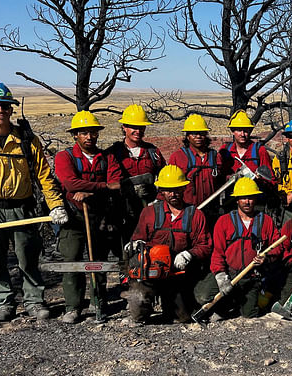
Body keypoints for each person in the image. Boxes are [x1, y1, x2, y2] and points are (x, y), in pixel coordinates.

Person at [0, 81, 69, 322]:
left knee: (28, 255)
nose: (0, 110)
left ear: (11, 109)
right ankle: (4, 303)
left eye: (5, 106)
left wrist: (56, 206)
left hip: (23, 208)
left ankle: (34, 301)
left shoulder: (27, 140)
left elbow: (44, 175)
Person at [54, 110, 124, 324]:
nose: (89, 137)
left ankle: (99, 301)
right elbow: (70, 184)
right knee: (72, 261)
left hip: (99, 217)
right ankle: (73, 306)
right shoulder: (64, 156)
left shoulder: (107, 157)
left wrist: (91, 192)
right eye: (84, 133)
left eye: (93, 132)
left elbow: (117, 184)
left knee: (98, 261)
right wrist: (102, 187)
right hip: (73, 217)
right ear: (75, 135)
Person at [123, 165, 212, 324]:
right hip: (151, 271)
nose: (173, 194)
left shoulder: (195, 215)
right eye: (168, 189)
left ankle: (173, 305)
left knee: (182, 318)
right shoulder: (149, 213)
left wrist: (189, 254)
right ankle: (142, 310)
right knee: (137, 312)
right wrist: (134, 244)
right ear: (162, 190)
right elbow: (137, 238)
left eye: (177, 189)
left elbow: (205, 245)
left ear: (184, 188)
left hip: (179, 274)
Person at [195, 177, 282, 320]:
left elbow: (278, 246)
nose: (247, 202)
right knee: (202, 296)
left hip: (251, 277)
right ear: (237, 200)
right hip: (229, 273)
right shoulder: (224, 222)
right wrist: (221, 277)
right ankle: (226, 303)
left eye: (250, 198)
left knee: (249, 315)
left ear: (255, 199)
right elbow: (217, 253)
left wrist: (267, 257)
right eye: (243, 198)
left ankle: (233, 302)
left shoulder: (265, 221)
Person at [105, 104, 165, 245]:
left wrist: (159, 199)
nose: (138, 131)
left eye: (141, 127)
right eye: (133, 127)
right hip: (122, 214)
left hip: (149, 212)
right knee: (124, 251)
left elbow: (165, 178)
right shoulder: (112, 153)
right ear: (124, 127)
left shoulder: (153, 152)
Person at [168, 114, 225, 223]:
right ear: (187, 136)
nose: (198, 136)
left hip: (212, 212)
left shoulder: (215, 157)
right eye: (194, 134)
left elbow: (221, 181)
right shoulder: (178, 157)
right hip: (187, 213)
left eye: (202, 133)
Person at [219, 110, 276, 214]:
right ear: (232, 131)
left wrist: (260, 180)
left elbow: (271, 180)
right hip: (231, 203)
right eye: (239, 130)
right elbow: (218, 177)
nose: (243, 134)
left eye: (246, 130)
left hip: (256, 205)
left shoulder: (259, 151)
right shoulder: (225, 151)